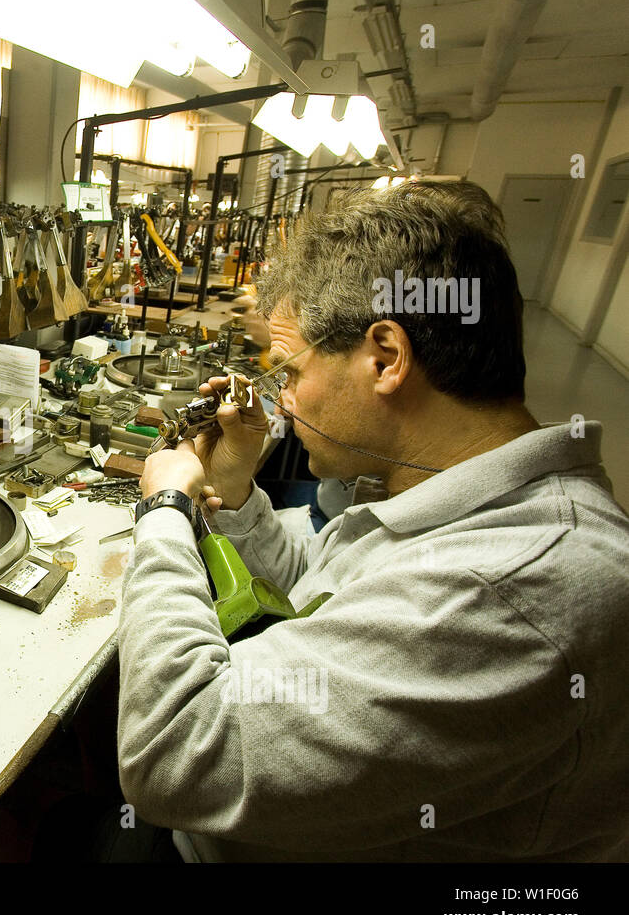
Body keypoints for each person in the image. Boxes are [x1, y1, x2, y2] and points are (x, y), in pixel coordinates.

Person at [117, 180, 629, 861]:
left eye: (290, 370)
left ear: (385, 359)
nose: (285, 399)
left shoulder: (515, 588)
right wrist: (236, 489)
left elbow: (175, 758)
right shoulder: (460, 498)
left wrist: (167, 511)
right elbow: (320, 598)